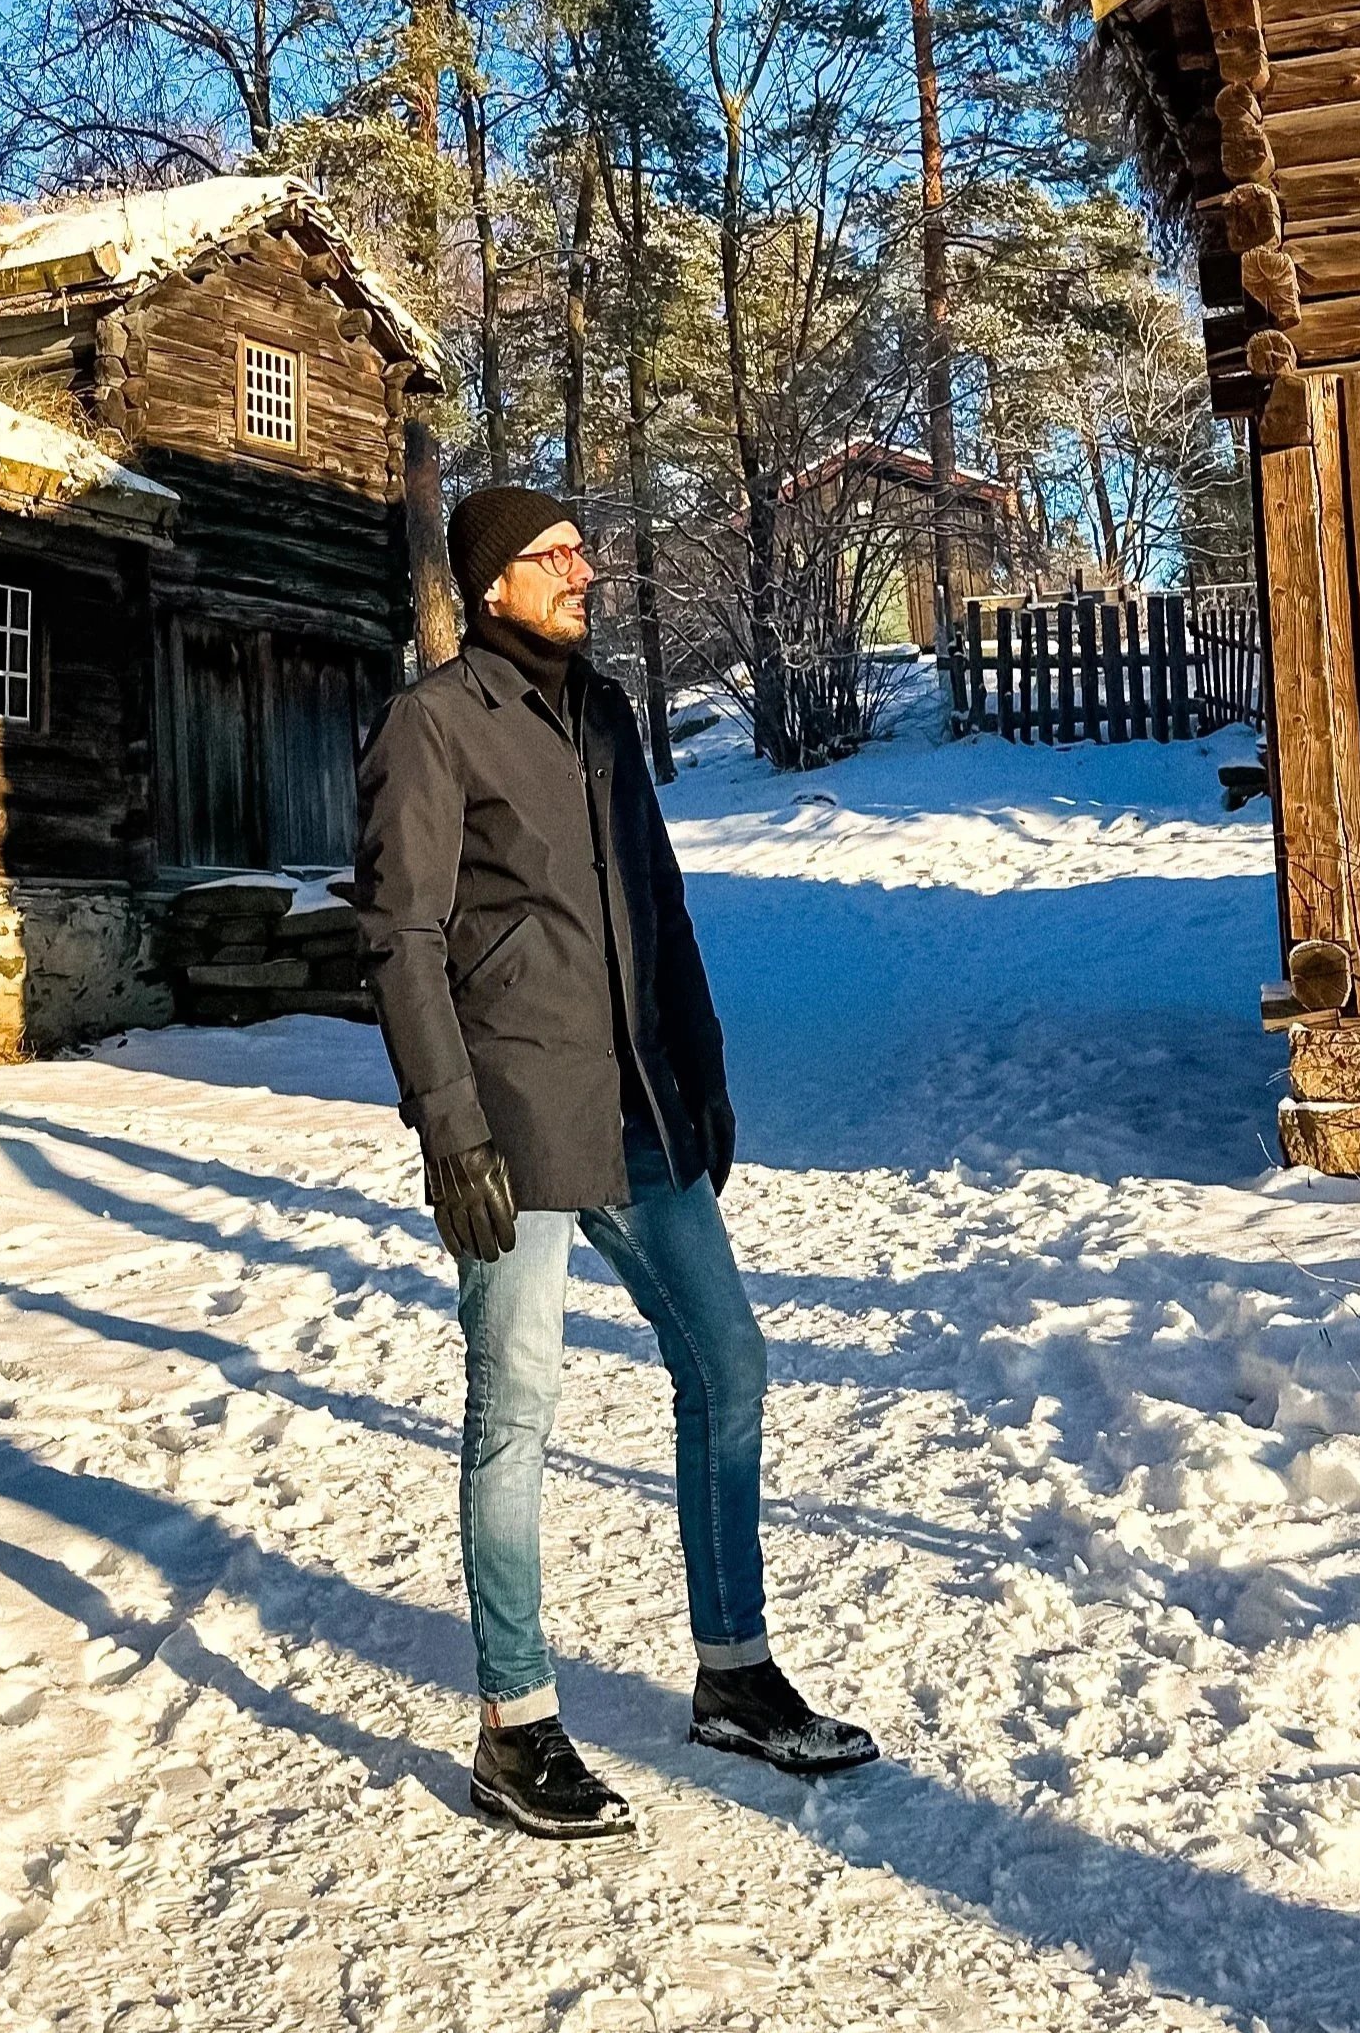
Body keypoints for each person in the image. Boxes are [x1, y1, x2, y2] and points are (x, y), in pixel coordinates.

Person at [354, 483, 877, 1840]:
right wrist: (447, 1124)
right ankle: (513, 1723)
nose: (581, 567)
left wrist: (700, 1070)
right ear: (487, 586)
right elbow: (399, 937)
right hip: (513, 1128)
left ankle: (732, 1670)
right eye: (549, 554)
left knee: (728, 1362)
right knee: (514, 1410)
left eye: (581, 546)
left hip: (637, 1108)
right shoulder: (429, 724)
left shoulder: (602, 713)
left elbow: (660, 902)